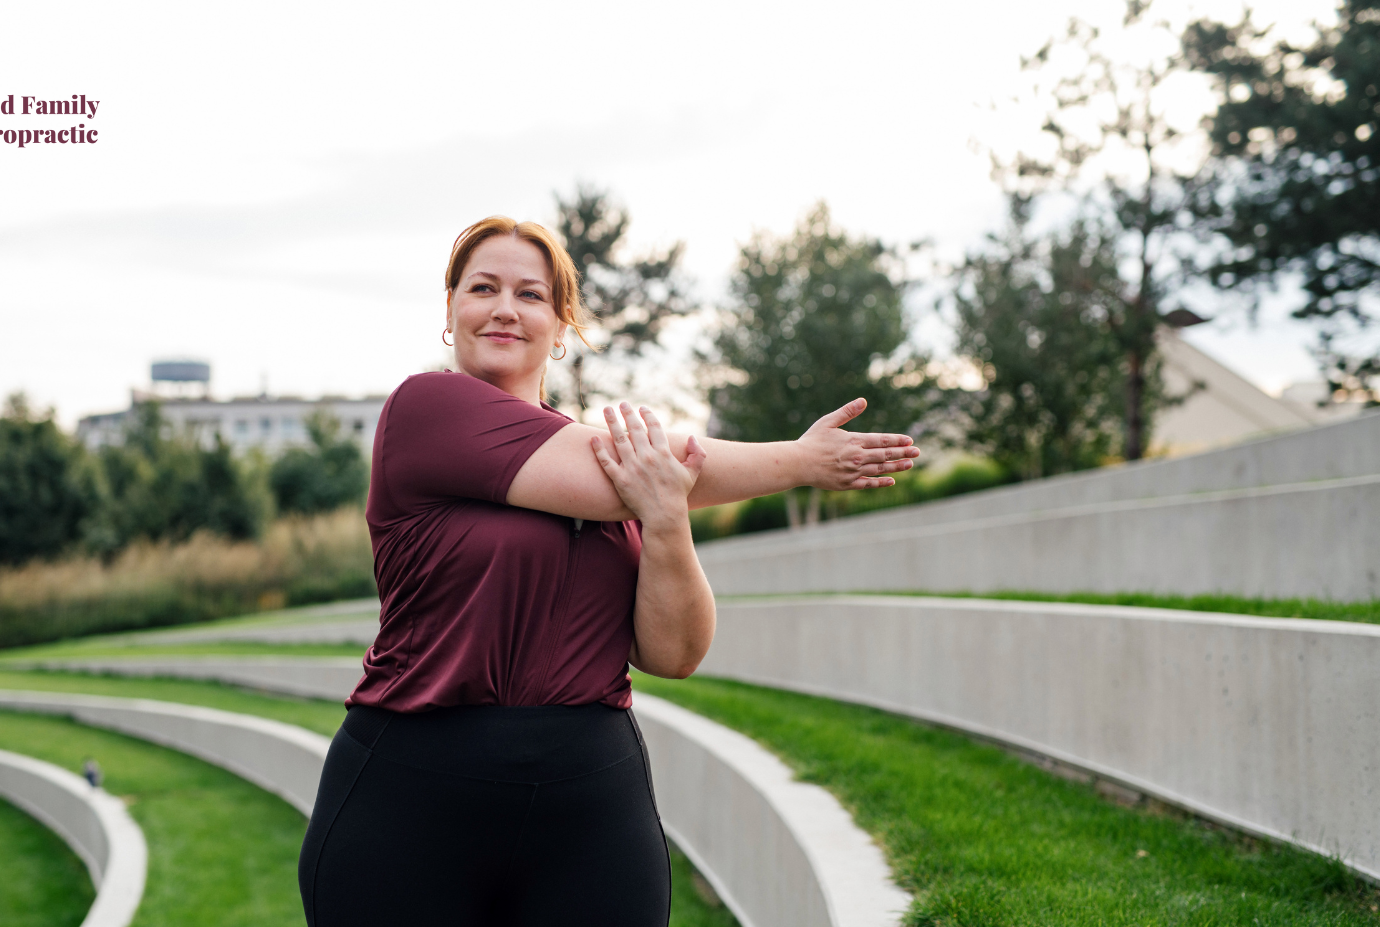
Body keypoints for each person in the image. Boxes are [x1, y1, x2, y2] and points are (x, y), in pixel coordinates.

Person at [298, 216, 920, 927]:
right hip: (412, 797)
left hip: (588, 802)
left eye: (531, 294)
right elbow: (621, 473)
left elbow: (673, 652)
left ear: (560, 325)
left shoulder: (628, 475)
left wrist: (665, 519)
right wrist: (800, 461)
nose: (506, 307)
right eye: (483, 288)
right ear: (450, 311)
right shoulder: (429, 411)